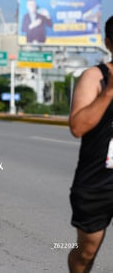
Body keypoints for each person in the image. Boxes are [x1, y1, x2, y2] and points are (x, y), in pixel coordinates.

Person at [68, 15, 113, 273]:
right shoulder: (94, 77)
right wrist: (108, 92)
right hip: (98, 181)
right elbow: (78, 127)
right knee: (86, 252)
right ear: (108, 43)